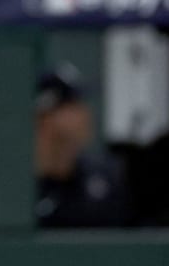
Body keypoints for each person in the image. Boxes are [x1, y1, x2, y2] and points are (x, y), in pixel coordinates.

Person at [34, 66, 130, 228]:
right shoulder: (16, 184)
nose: (85, 113)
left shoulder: (104, 177)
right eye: (73, 105)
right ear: (47, 116)